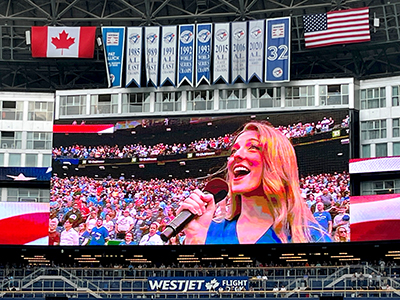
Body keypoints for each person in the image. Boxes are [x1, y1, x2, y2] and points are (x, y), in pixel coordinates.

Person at [177, 121, 331, 244]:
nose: (236, 155)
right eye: (234, 151)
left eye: (253, 147)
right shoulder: (210, 230)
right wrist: (195, 239)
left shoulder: (311, 236)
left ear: (277, 162)